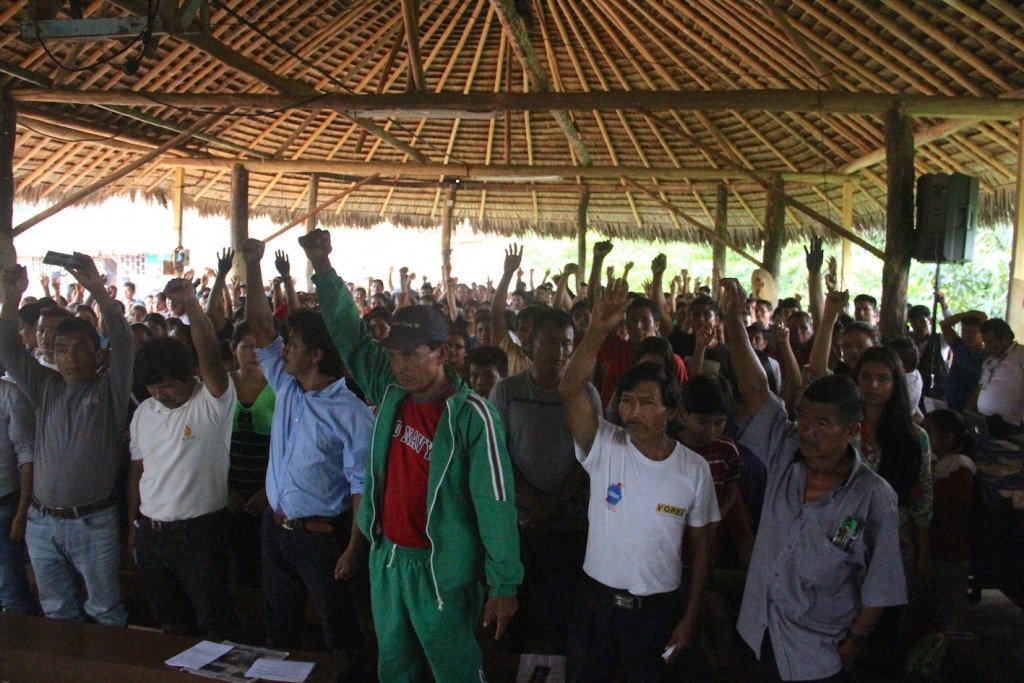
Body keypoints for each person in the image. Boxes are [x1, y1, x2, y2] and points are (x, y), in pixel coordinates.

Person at [299, 228, 522, 682]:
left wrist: (503, 584)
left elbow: (495, 504)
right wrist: (323, 268)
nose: (398, 365)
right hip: (389, 559)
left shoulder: (471, 417)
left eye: (410, 355)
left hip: (442, 569)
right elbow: (351, 338)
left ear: (442, 354)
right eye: (394, 355)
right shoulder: (391, 390)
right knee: (394, 668)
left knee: (454, 671)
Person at [725, 279, 906, 682]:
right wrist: (734, 318)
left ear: (851, 430)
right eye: (803, 417)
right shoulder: (785, 453)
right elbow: (755, 388)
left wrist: (854, 642)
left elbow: (883, 580)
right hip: (758, 631)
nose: (806, 431)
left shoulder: (871, 497)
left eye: (821, 424)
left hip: (818, 652)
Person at [560, 278, 719, 682]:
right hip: (595, 605)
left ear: (670, 411)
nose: (633, 412)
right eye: (627, 401)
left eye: (647, 403)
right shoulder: (606, 446)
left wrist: (690, 616)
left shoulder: (694, 470)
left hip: (658, 612)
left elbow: (703, 550)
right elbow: (570, 388)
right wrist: (596, 329)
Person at [239, 239, 373, 664]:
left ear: (315, 355)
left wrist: (354, 548)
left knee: (338, 629)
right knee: (279, 626)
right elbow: (261, 329)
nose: (284, 349)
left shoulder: (350, 412)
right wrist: (253, 266)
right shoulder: (288, 386)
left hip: (321, 540)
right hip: (275, 530)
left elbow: (361, 488)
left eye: (293, 343)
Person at [0, 255, 132, 627]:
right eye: (61, 350)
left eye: (79, 349)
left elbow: (123, 341)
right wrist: (11, 299)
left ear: (98, 355)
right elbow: (7, 348)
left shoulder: (110, 391)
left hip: (93, 522)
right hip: (43, 522)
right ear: (50, 355)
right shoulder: (46, 387)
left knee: (105, 610)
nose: (69, 357)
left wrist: (96, 290)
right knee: (56, 611)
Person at [128, 278, 239, 638]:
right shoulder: (144, 411)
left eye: (167, 385)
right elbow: (138, 470)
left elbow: (209, 355)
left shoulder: (212, 403)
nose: (160, 394)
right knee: (170, 623)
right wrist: (134, 524)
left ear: (190, 375)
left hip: (201, 534)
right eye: (152, 387)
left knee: (213, 621)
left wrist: (192, 305)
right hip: (151, 534)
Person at [489, 307, 597, 653]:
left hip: (568, 523)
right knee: (515, 612)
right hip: (518, 522)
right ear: (530, 343)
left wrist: (554, 504)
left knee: (561, 611)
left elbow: (591, 458)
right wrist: (534, 502)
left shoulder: (585, 395)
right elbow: (496, 457)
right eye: (552, 343)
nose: (562, 352)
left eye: (567, 344)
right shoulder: (506, 392)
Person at [225, 320, 274, 588]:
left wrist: (266, 492)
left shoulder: (280, 388)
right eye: (246, 347)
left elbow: (285, 446)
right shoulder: (222, 387)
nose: (254, 354)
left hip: (266, 488)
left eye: (259, 347)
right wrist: (225, 489)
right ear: (234, 351)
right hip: (229, 488)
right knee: (237, 564)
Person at [921, 409, 975, 633]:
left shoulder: (959, 470)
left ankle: (942, 658)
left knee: (947, 616)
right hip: (936, 550)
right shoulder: (938, 465)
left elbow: (933, 504)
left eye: (929, 431)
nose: (923, 434)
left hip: (949, 553)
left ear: (949, 438)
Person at [0, 378, 38, 615]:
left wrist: (22, 509)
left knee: (11, 587)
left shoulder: (10, 395)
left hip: (4, 504)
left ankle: (22, 646)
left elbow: (27, 455)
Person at [970, 318, 1024, 437]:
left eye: (991, 342)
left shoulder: (1021, 354)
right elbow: (980, 389)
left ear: (1005, 338)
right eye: (985, 343)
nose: (987, 347)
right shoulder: (988, 361)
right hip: (983, 419)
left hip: (1009, 424)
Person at [938, 308, 987, 411]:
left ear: (982, 335)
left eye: (973, 331)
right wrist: (968, 314)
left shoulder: (988, 355)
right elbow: (944, 325)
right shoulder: (959, 347)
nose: (969, 335)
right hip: (950, 402)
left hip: (972, 408)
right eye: (965, 331)